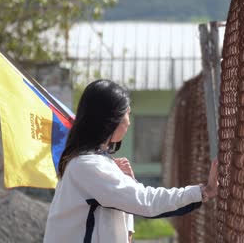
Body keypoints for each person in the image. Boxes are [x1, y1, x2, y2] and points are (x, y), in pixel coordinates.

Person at [44, 79, 218, 243]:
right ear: (112, 119)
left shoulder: (92, 163)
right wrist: (203, 191)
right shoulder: (88, 166)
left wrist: (127, 181)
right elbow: (144, 202)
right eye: (127, 114)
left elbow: (127, 232)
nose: (128, 122)